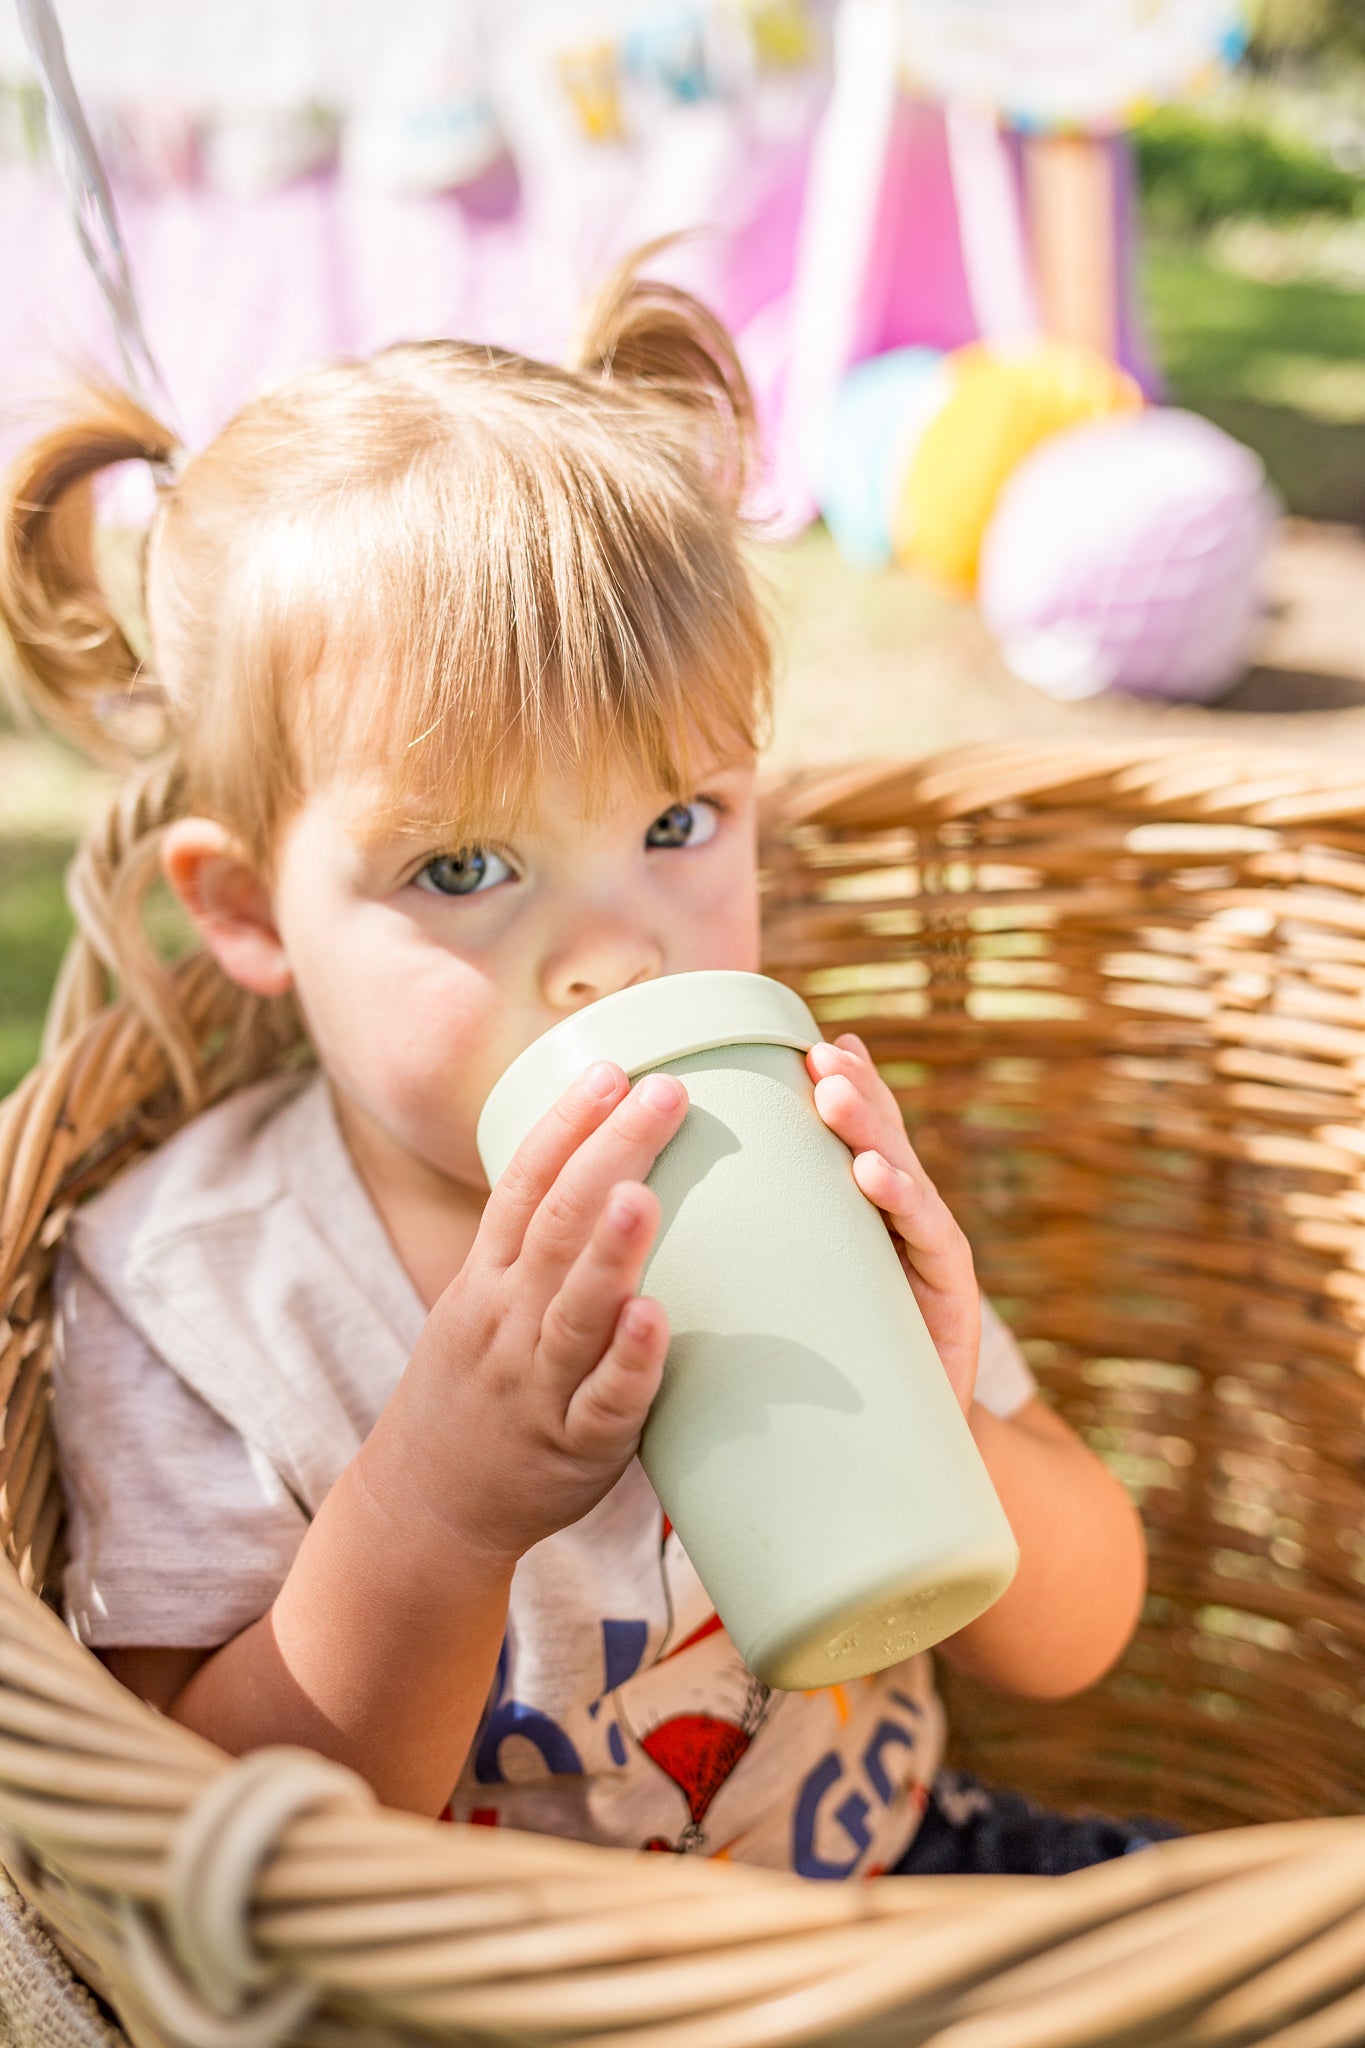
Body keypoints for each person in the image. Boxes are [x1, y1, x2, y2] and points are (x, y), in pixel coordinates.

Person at [0, 255, 1158, 1879]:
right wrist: (437, 1510)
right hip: (457, 1995)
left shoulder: (792, 1152)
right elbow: (201, 1839)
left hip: (887, 1892)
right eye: (464, 869)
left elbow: (1078, 1631)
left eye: (678, 825)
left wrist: (945, 1401)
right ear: (251, 912)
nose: (616, 954)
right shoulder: (200, 1293)